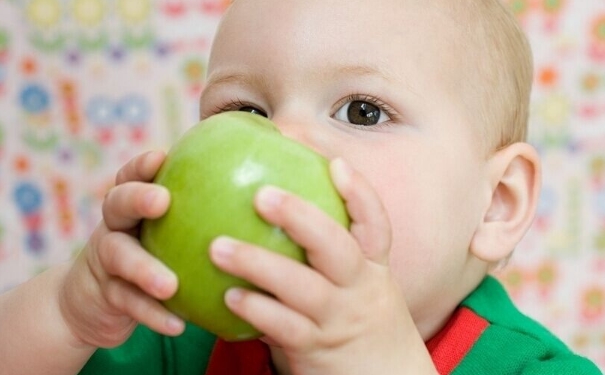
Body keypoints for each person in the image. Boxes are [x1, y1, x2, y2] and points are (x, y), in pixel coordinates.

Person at [0, 0, 601, 374]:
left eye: (363, 111)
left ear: (496, 203)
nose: (282, 139)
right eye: (246, 113)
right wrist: (66, 315)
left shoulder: (531, 369)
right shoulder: (174, 338)